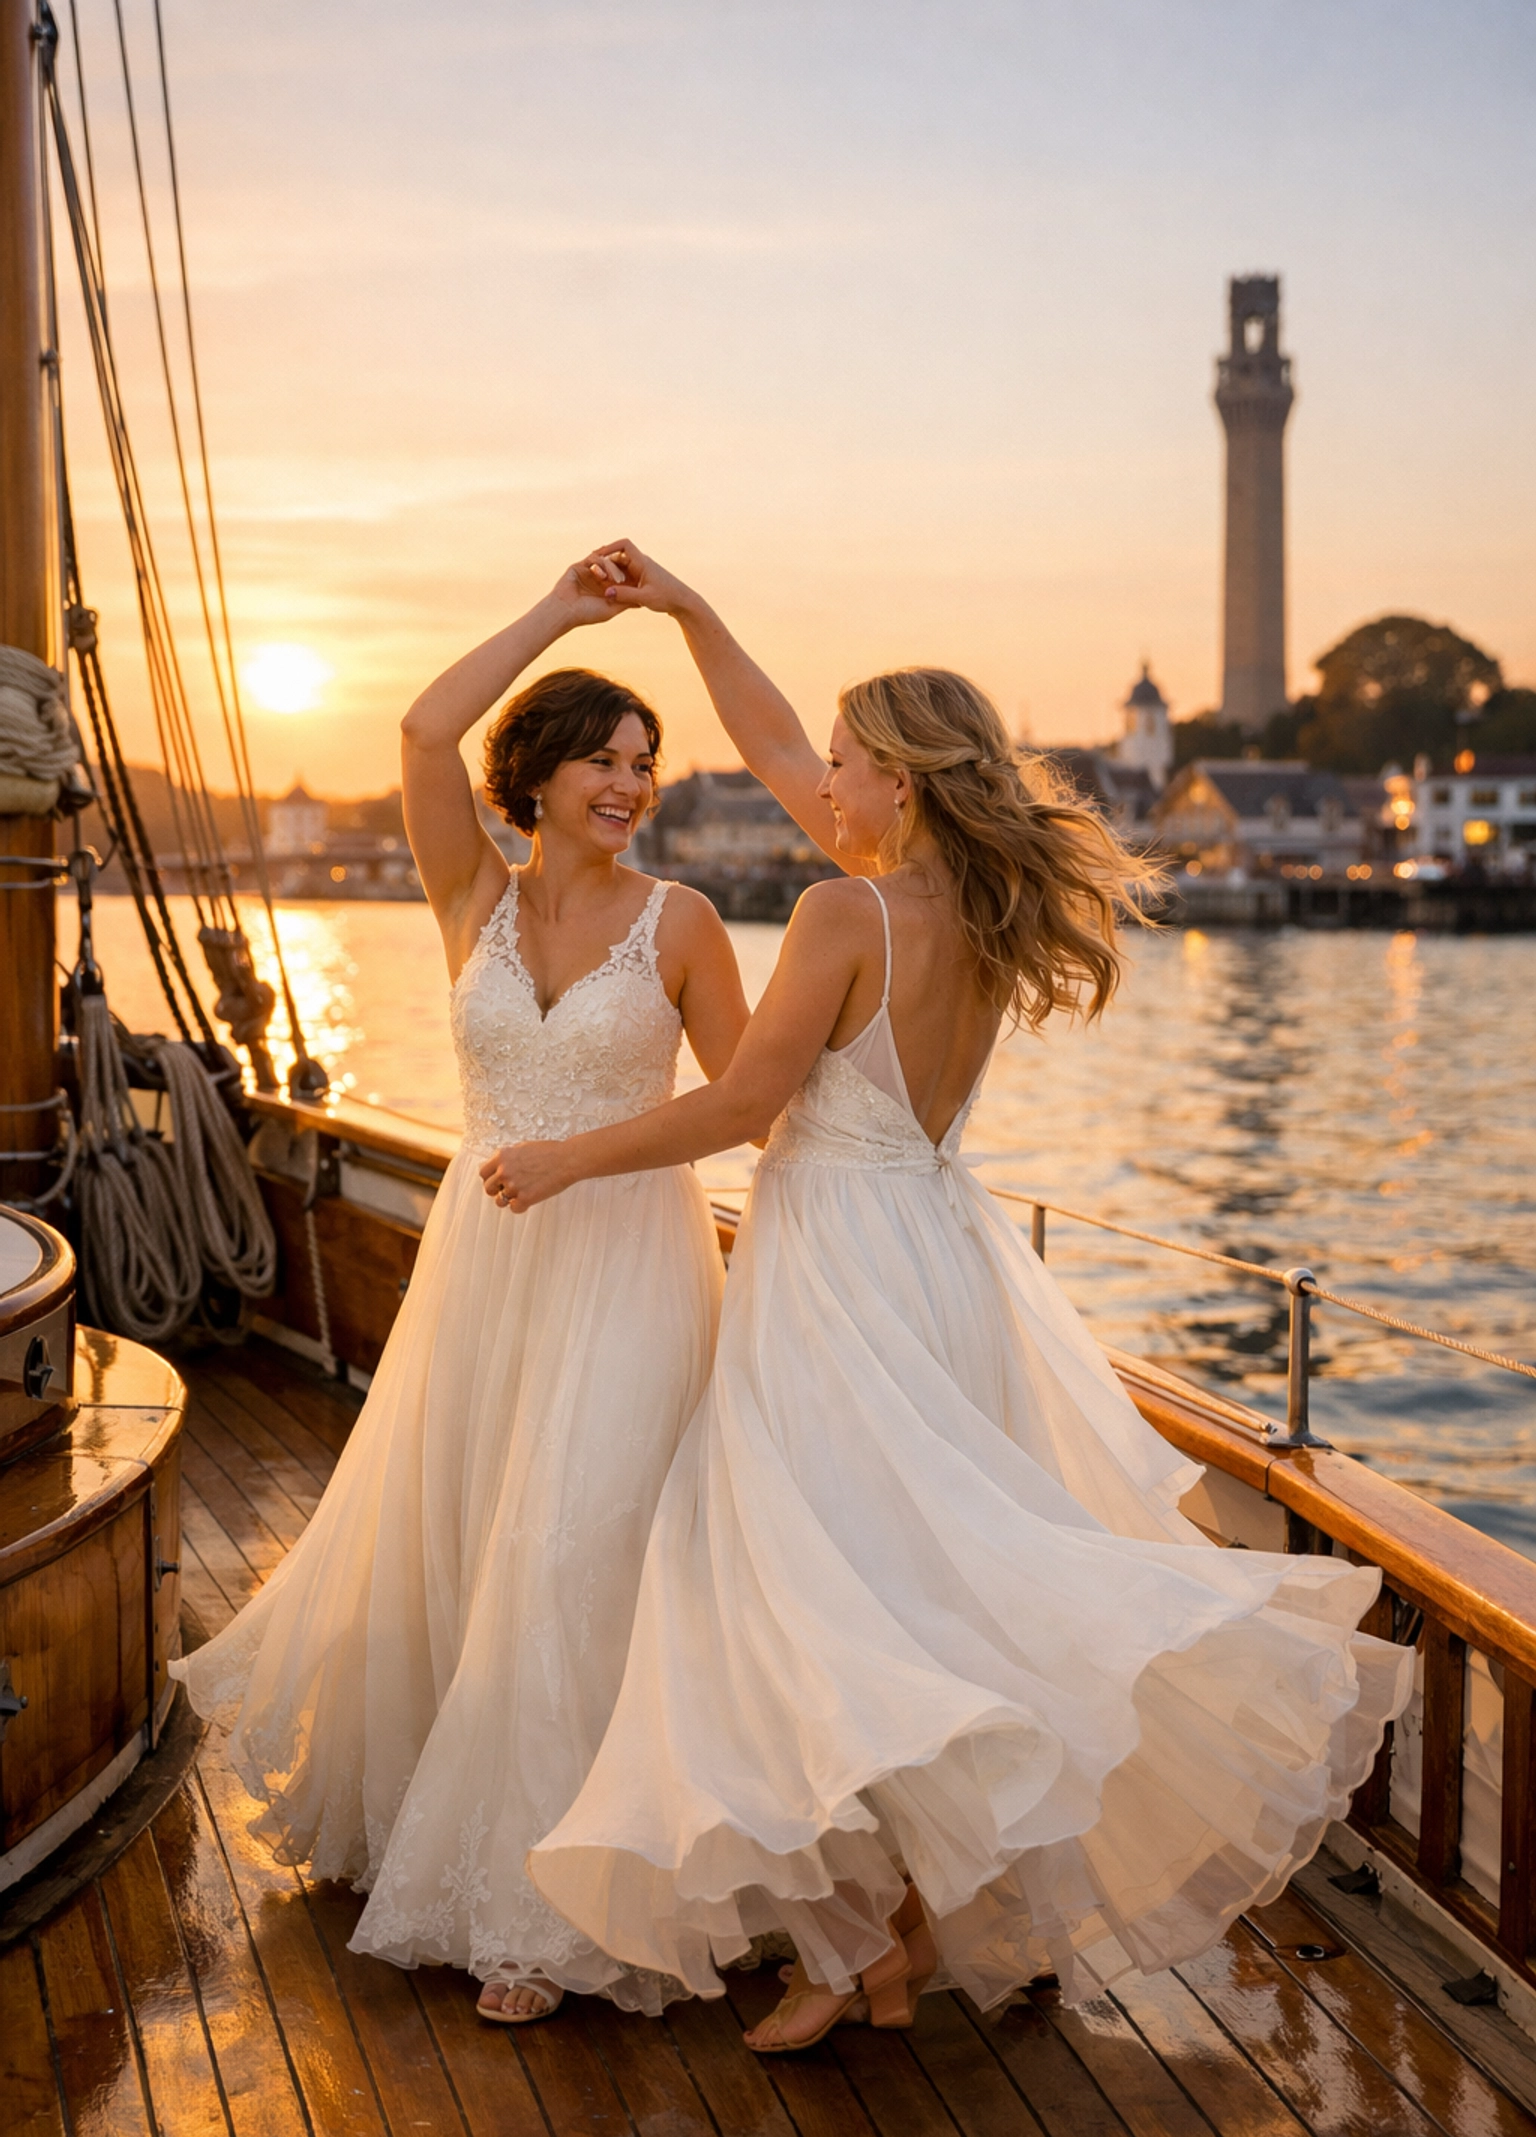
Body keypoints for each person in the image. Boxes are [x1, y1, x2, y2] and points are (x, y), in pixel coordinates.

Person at [482, 542, 1414, 2050]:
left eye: (844, 765)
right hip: (947, 1259)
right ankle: (900, 1934)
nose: (815, 778)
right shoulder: (976, 902)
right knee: (917, 1591)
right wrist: (698, 612)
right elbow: (776, 738)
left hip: (838, 1273)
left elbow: (747, 1110)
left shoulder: (846, 915)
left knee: (784, 1589)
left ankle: (852, 1947)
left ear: (898, 783)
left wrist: (567, 1156)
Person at [173, 552, 748, 2025]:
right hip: (484, 1264)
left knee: (572, 1554)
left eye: (646, 764)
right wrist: (566, 609)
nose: (630, 785)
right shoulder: (469, 897)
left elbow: (747, 1103)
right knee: (477, 1536)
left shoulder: (680, 922)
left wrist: (580, 1159)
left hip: (628, 1262)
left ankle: (550, 1913)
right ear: (541, 774)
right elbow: (426, 733)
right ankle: (462, 1834)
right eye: (604, 760)